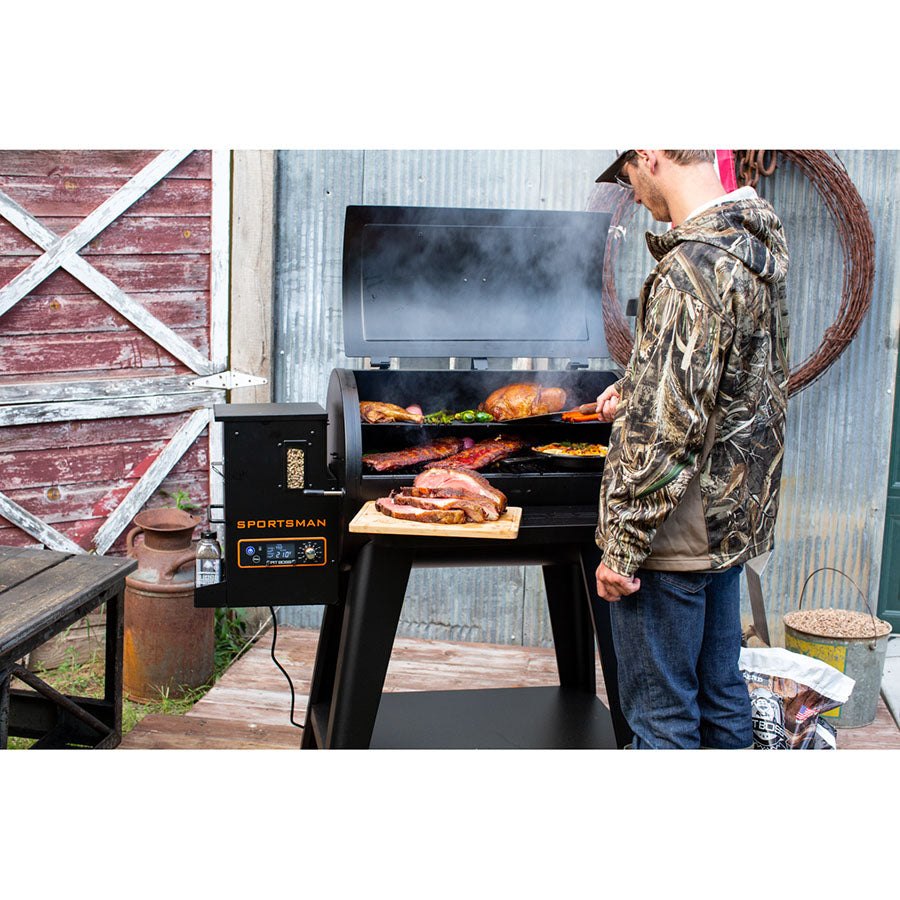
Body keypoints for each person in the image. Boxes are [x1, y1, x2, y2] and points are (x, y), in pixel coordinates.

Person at [592, 150, 790, 749]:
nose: (633, 188)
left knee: (662, 719)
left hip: (674, 536)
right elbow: (733, 378)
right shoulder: (753, 246)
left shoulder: (689, 269)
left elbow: (663, 432)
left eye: (628, 172)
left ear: (650, 154)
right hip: (729, 524)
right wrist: (640, 384)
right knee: (722, 699)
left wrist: (621, 552)